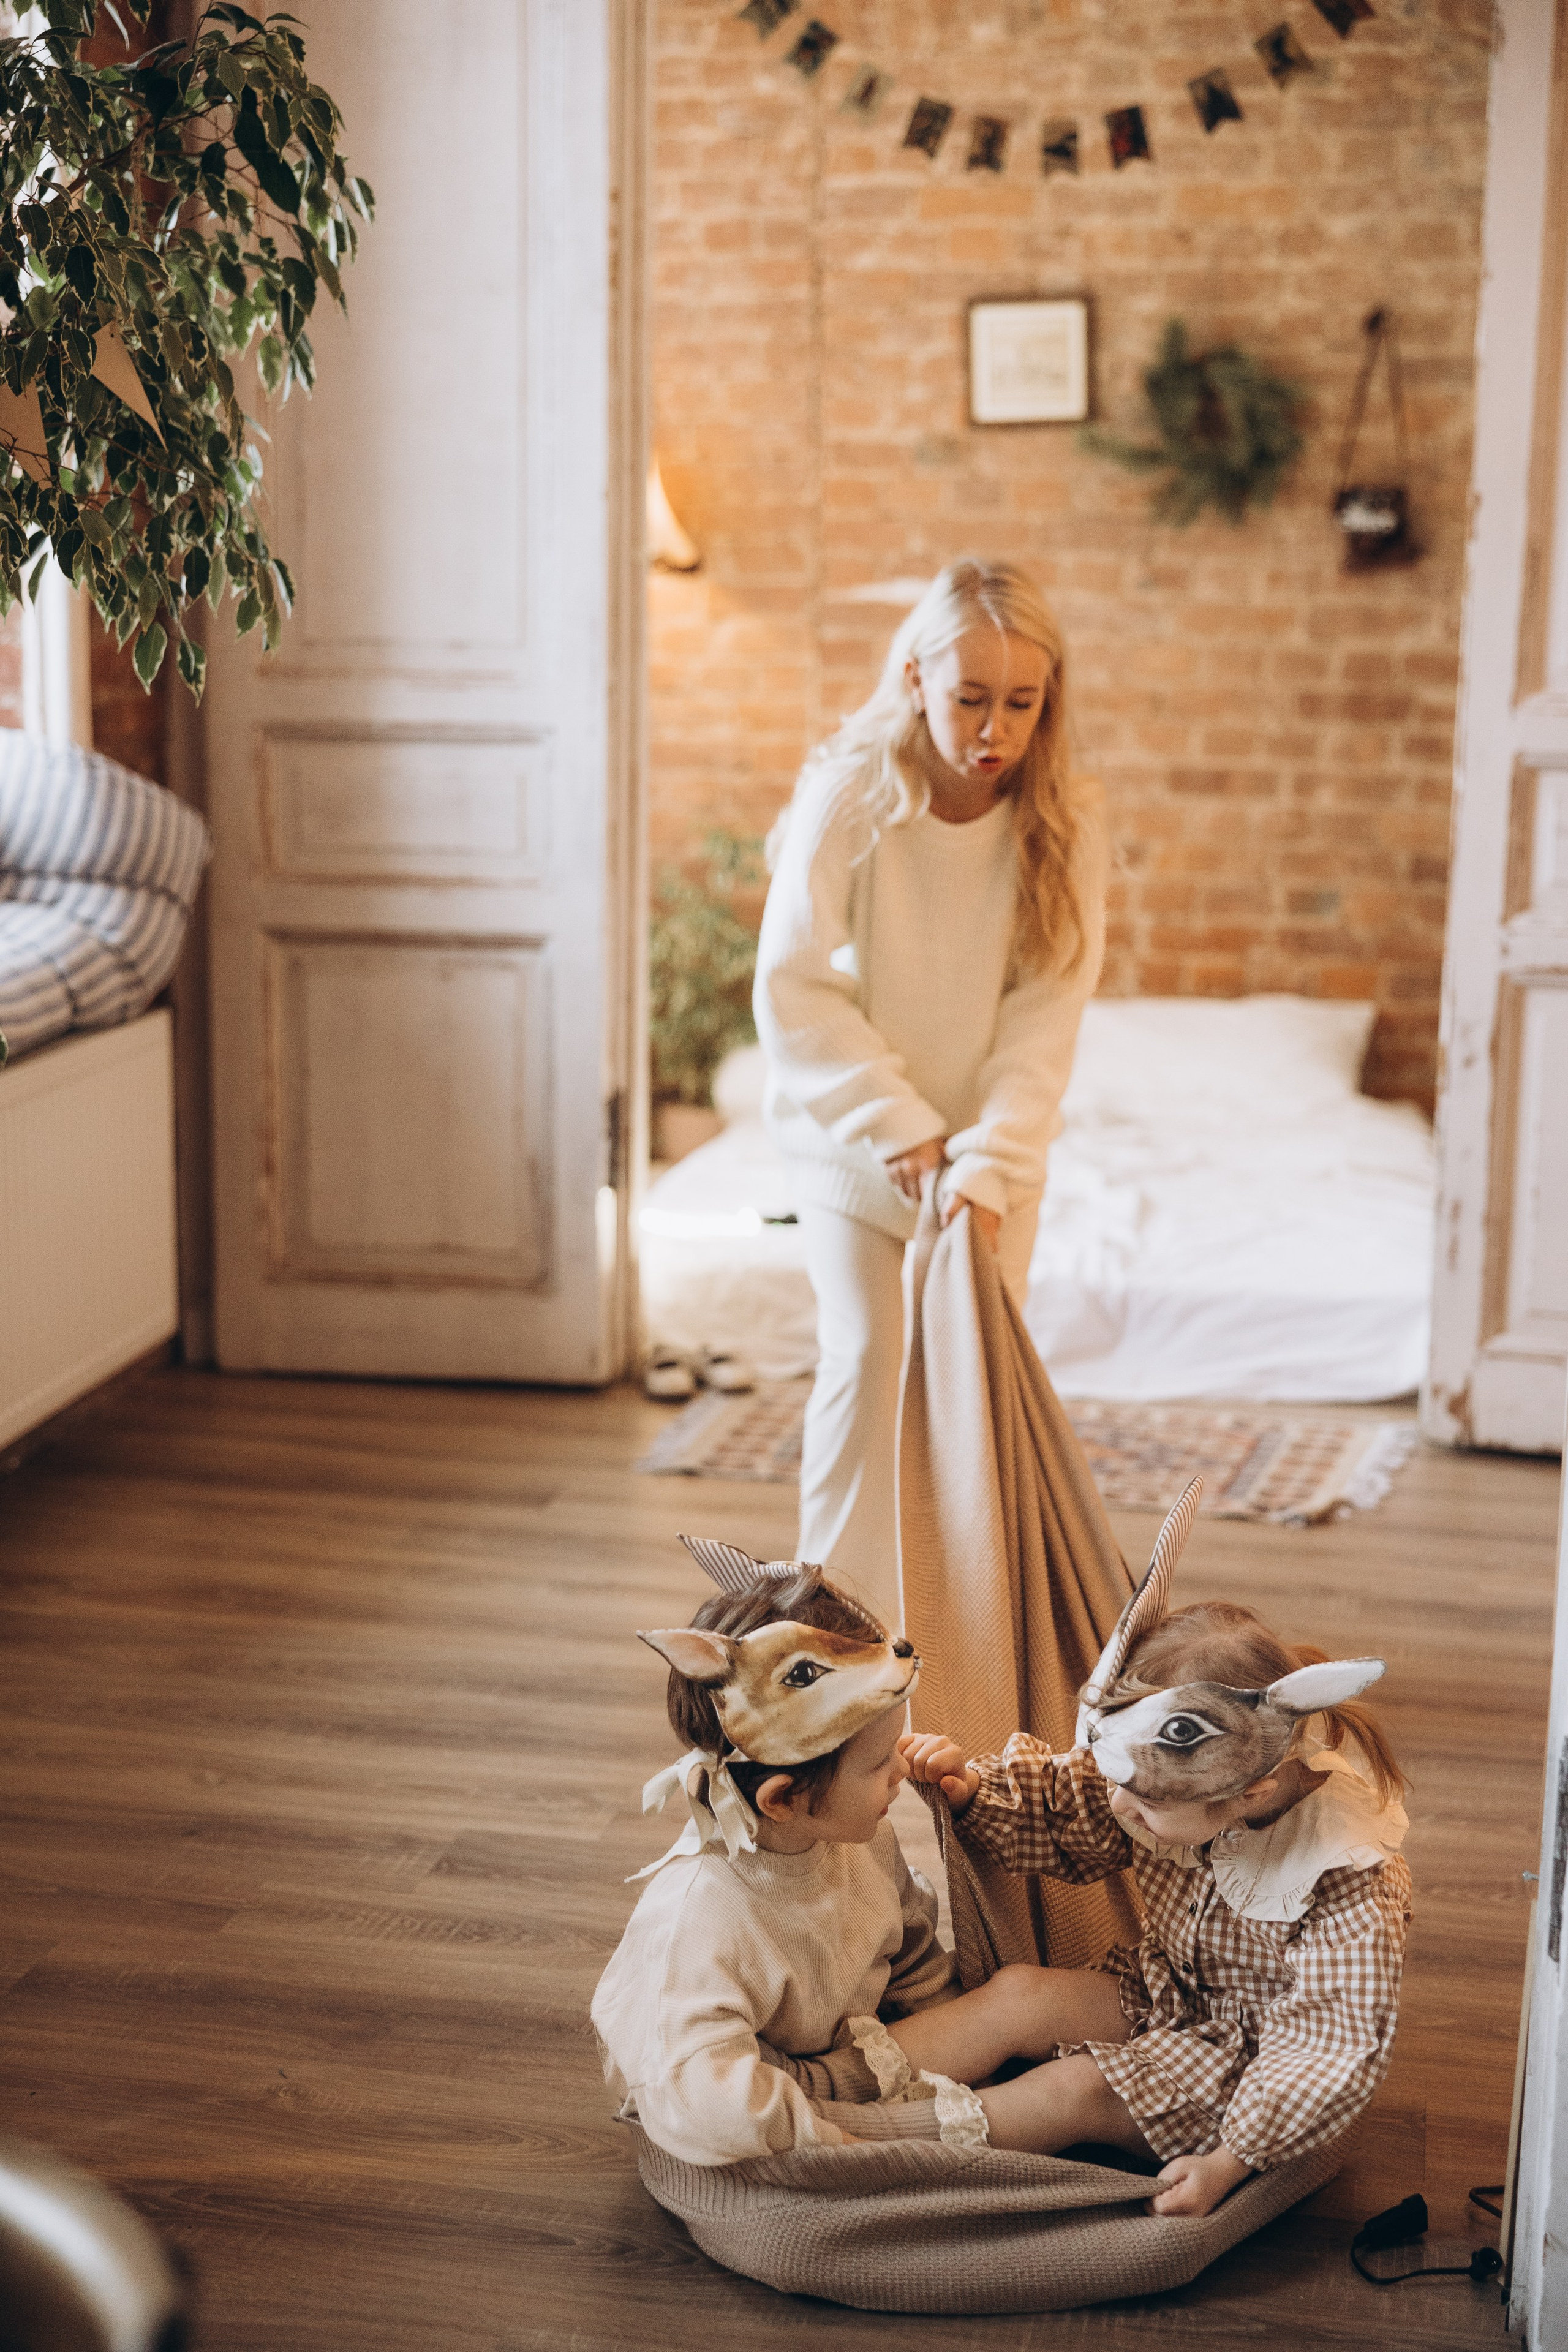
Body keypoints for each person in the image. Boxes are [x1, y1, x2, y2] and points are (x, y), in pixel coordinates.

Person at [753, 557, 1108, 1623]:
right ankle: (828, 1631)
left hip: (989, 1161)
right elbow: (794, 986)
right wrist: (899, 1129)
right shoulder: (850, 794)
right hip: (856, 1143)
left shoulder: (1066, 819)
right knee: (868, 1360)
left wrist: (986, 1165)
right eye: (970, 698)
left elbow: (1047, 1011)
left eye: (1021, 703)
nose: (995, 730)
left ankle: (959, 1642)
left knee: (967, 1400)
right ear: (915, 679)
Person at [900, 1588, 1413, 2217]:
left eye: (1144, 1802)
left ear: (1252, 1794)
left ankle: (871, 2148)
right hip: (1166, 1992)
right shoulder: (1168, 1778)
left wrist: (1228, 2162)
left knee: (1073, 2090)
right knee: (1019, 1993)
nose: (1120, 1805)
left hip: (1248, 2074)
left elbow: (1326, 2044)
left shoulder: (1345, 1872)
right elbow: (1074, 1805)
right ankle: (834, 2083)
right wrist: (974, 1788)